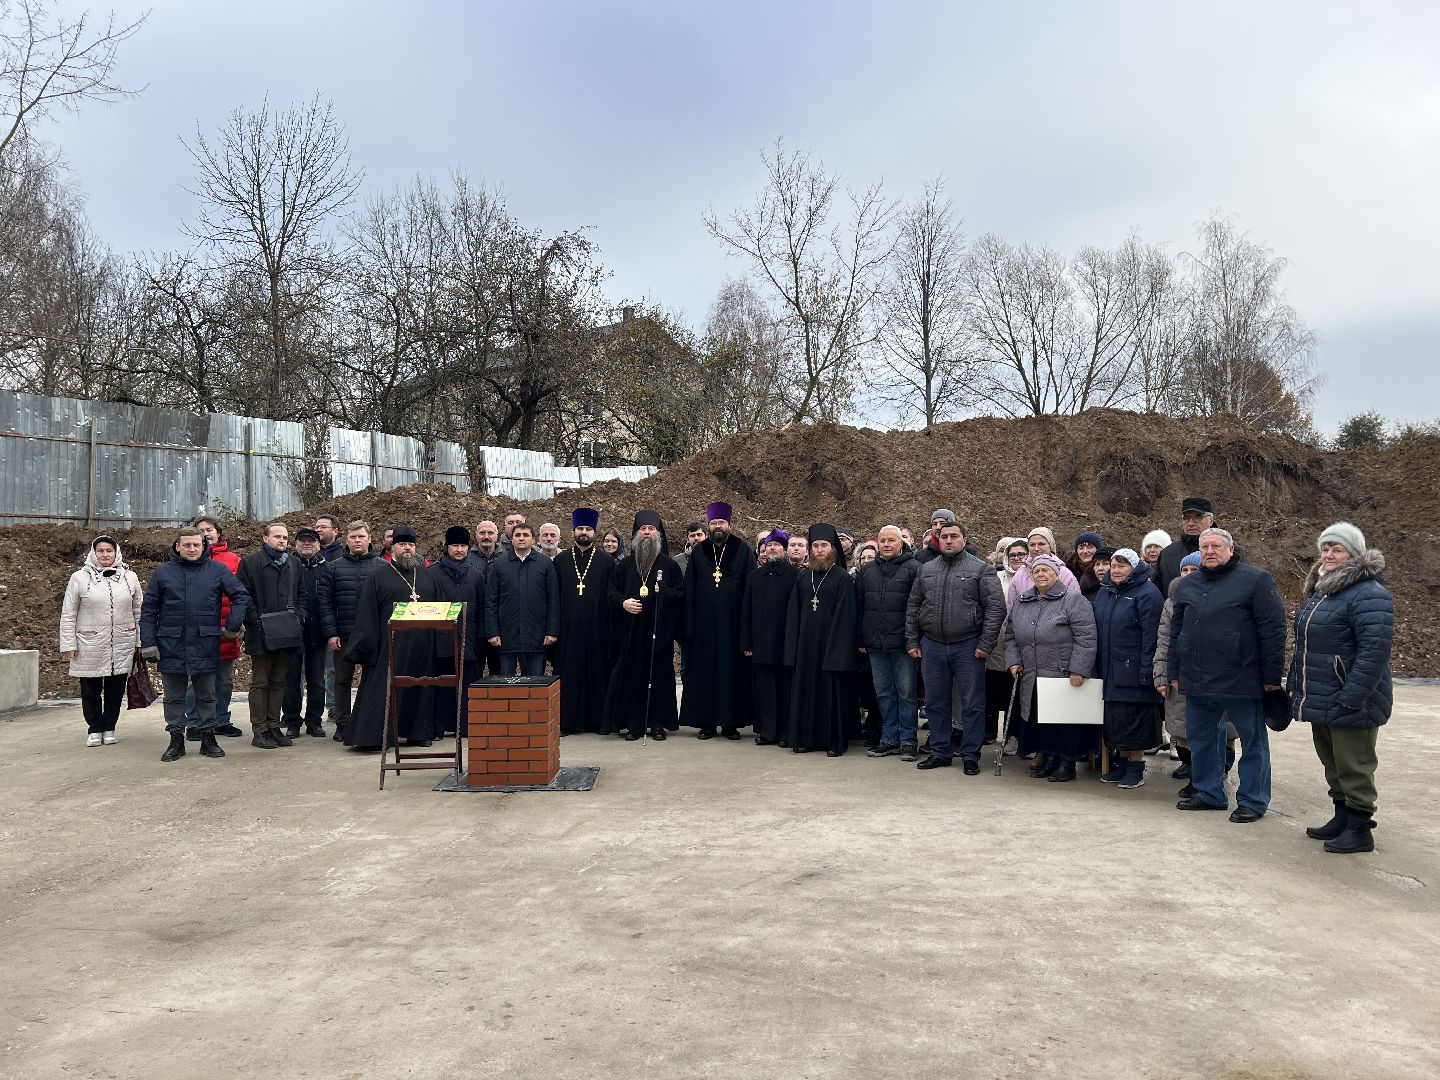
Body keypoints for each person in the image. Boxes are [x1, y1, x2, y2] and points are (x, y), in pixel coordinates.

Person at [1167, 527, 1287, 821]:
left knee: (1252, 741)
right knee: (1203, 740)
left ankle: (1253, 800)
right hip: (1197, 678)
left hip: (1241, 678)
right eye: (1204, 546)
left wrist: (1271, 678)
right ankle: (1209, 793)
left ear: (1231, 550)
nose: (1209, 551)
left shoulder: (1256, 580)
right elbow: (1177, 631)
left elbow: (1273, 630)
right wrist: (1174, 669)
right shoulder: (1189, 584)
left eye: (1216, 546)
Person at [1288, 523, 1393, 854]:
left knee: (1354, 765)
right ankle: (1342, 816)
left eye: (1337, 549)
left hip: (1352, 699)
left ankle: (1360, 829)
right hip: (1323, 694)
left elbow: (1374, 651)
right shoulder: (1323, 591)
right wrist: (1296, 686)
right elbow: (1306, 645)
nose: (1328, 554)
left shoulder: (1368, 593)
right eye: (1325, 548)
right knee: (1332, 761)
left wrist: (1352, 696)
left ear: (1355, 555)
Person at [140, 527, 251, 762]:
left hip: (205, 642)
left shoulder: (217, 570)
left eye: (196, 545)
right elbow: (149, 609)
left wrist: (233, 625)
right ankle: (176, 740)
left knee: (207, 694)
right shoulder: (163, 573)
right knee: (174, 697)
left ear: (204, 547)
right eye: (187, 545)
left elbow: (240, 596)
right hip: (171, 643)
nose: (192, 549)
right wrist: (148, 643)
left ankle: (208, 738)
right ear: (177, 546)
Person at [905, 519, 1006, 775]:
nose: (948, 540)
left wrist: (985, 644)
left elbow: (996, 608)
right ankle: (940, 751)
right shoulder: (926, 569)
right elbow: (914, 606)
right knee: (936, 703)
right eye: (944, 536)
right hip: (933, 646)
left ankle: (971, 755)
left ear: (964, 539)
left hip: (968, 646)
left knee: (972, 703)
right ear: (937, 540)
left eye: (953, 536)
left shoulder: (981, 569)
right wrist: (913, 640)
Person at [343, 525, 441, 750]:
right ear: (392, 547)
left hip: (422, 646)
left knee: (420, 688)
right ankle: (377, 737)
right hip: (390, 646)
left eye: (411, 545)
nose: (407, 548)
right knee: (384, 690)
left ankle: (417, 733)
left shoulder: (427, 575)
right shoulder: (378, 577)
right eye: (402, 544)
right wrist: (369, 647)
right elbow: (367, 613)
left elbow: (440, 608)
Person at [1006, 554, 1098, 783]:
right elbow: (1010, 636)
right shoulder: (1022, 600)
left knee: (1063, 722)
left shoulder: (1073, 600)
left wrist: (1079, 669)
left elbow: (1086, 638)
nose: (1040, 574)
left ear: (1057, 574)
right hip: (1032, 673)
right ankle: (1046, 758)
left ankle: (1067, 763)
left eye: (1046, 570)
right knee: (1038, 720)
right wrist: (1014, 660)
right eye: (1036, 571)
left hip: (1062, 673)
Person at [1154, 551, 1235, 793]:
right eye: (1184, 570)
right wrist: (1161, 673)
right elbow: (1164, 641)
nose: (1189, 575)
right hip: (1180, 674)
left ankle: (1215, 773)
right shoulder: (1171, 601)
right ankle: (1193, 769)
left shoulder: (1221, 597)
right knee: (1182, 727)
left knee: (1214, 729)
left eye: (1194, 570)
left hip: (1212, 675)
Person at [602, 511, 684, 741]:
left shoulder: (669, 565)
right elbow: (611, 593)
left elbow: (680, 595)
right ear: (636, 533)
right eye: (643, 529)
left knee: (659, 677)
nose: (647, 532)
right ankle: (633, 724)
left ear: (658, 534)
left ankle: (657, 723)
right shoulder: (625, 565)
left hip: (659, 633)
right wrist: (623, 603)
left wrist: (664, 592)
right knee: (632, 677)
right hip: (630, 633)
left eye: (651, 529)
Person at [783, 524, 861, 756]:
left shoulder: (841, 578)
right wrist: (793, 649)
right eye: (815, 546)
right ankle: (806, 739)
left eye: (824, 546)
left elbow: (846, 617)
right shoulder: (803, 577)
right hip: (806, 648)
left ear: (833, 549)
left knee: (831, 695)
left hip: (831, 649)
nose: (819, 550)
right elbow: (793, 614)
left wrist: (837, 650)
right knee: (805, 692)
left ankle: (833, 742)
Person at [59, 535, 142, 746]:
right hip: (89, 643)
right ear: (93, 554)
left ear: (116, 553)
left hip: (122, 642)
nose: (105, 554)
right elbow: (69, 613)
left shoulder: (129, 577)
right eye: (101, 551)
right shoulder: (79, 577)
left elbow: (138, 611)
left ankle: (109, 726)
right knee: (90, 689)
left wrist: (140, 641)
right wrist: (69, 644)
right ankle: (94, 727)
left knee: (116, 689)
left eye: (109, 551)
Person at [679, 501, 751, 740]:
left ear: (729, 524)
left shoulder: (743, 549)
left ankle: (731, 724)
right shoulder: (699, 551)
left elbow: (750, 589)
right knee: (705, 674)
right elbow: (689, 590)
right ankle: (706, 723)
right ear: (708, 525)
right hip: (704, 626)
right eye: (713, 523)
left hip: (733, 625)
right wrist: (689, 625)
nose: (717, 526)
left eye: (721, 522)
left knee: (733, 674)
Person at [1093, 548, 1164, 789]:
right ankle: (1122, 764)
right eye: (1113, 565)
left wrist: (1147, 671)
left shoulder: (1147, 593)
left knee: (1137, 722)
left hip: (1135, 670)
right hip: (1111, 670)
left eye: (1122, 565)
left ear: (1134, 568)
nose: (1115, 570)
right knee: (1119, 721)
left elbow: (1152, 636)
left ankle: (1136, 768)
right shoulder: (1106, 592)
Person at [237, 522, 304, 750]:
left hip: (287, 632)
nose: (282, 541)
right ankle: (260, 730)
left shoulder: (294, 564)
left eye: (285, 537)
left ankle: (274, 726)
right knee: (261, 681)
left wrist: (299, 617)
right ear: (265, 539)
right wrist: (257, 621)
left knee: (279, 681)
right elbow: (243, 596)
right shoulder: (250, 563)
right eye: (277, 536)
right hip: (261, 633)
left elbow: (302, 595)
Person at [858, 525, 921, 761]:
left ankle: (908, 741)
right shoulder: (867, 572)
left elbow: (919, 607)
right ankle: (889, 738)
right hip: (875, 644)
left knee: (906, 693)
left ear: (901, 543)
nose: (886, 544)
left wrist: (913, 639)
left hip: (903, 644)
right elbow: (860, 606)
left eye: (891, 540)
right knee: (883, 693)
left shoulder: (914, 568)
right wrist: (861, 638)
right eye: (882, 540)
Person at [554, 508, 616, 735]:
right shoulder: (560, 561)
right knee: (569, 675)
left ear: (594, 532)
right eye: (580, 528)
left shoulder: (606, 561)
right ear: (573, 531)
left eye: (588, 529)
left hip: (597, 629)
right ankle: (568, 722)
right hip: (568, 630)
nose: (584, 532)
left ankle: (597, 721)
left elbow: (611, 596)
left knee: (597, 674)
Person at [319, 520, 380, 744]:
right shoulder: (333, 568)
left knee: (373, 681)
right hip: (343, 635)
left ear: (369, 539)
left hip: (372, 636)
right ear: (346, 539)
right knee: (342, 680)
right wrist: (331, 633)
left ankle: (369, 722)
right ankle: (343, 723)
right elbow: (325, 603)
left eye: (361, 537)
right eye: (353, 537)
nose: (357, 541)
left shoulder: (382, 567)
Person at [183, 516, 244, 741]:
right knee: (194, 680)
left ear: (218, 532)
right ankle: (194, 722)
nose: (206, 533)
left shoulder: (233, 560)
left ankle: (221, 720)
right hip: (195, 633)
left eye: (210, 529)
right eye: (201, 530)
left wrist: (235, 624)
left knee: (224, 679)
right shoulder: (188, 561)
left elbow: (241, 594)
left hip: (225, 630)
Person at [740, 529, 797, 746]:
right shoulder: (754, 577)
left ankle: (784, 733)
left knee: (784, 689)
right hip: (761, 643)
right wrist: (746, 641)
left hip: (784, 643)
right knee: (764, 690)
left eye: (776, 545)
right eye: (768, 546)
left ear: (784, 549)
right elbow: (746, 611)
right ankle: (766, 731)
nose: (771, 549)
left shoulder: (795, 576)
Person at [430, 526, 486, 738]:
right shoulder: (432, 573)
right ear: (447, 548)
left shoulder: (476, 575)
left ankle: (465, 726)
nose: (459, 550)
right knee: (442, 683)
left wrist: (481, 636)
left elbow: (482, 608)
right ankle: (439, 726)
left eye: (463, 546)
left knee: (467, 683)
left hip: (468, 639)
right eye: (455, 546)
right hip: (441, 638)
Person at [484, 522, 559, 677]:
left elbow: (553, 600)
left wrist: (552, 631)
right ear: (511, 539)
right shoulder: (499, 565)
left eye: (526, 535)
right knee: (507, 683)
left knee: (535, 683)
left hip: (537, 636)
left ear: (533, 539)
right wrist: (492, 632)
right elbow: (491, 601)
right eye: (517, 535)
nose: (521, 538)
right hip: (506, 636)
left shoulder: (545, 564)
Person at [281, 527, 329, 739]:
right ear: (296, 544)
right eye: (303, 541)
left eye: (311, 541)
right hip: (292, 632)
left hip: (317, 633)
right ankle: (292, 721)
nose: (307, 544)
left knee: (317, 680)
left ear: (319, 544)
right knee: (291, 680)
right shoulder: (285, 567)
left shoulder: (327, 569)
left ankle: (314, 721)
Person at [1156, 498, 1231, 597]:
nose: (1191, 523)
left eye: (1198, 517)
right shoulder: (1167, 554)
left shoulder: (1229, 549)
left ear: (1211, 520)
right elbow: (1159, 593)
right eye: (1186, 518)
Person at [1005, 527, 1081, 609]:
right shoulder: (1020, 575)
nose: (1036, 548)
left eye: (1041, 544)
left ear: (1050, 546)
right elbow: (1011, 608)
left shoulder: (1064, 574)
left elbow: (1076, 607)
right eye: (1032, 545)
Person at [1066, 531, 1105, 602]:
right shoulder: (1068, 570)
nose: (1085, 551)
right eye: (1081, 548)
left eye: (1089, 547)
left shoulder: (1106, 569)